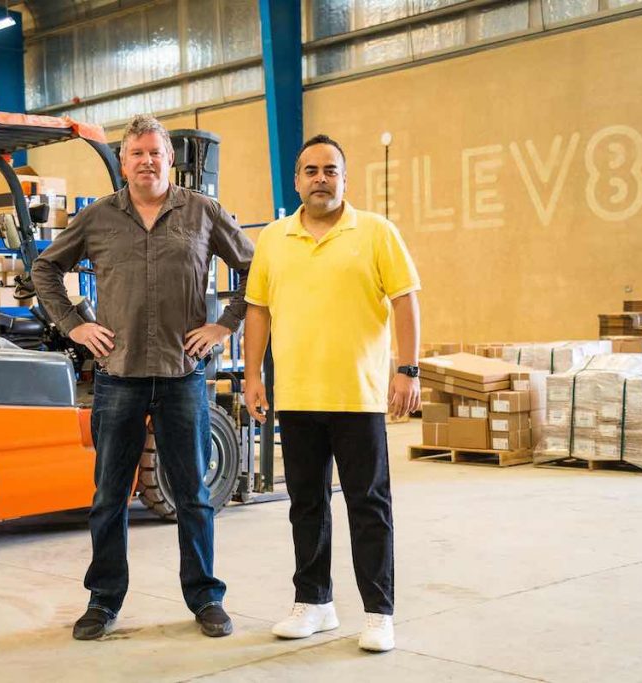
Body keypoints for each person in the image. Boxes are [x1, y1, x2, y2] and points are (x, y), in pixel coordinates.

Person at [32, 114, 254, 640]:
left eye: (156, 153)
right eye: (138, 154)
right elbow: (45, 269)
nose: (147, 161)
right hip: (119, 376)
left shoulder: (202, 212)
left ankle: (205, 596)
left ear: (170, 159)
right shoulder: (98, 218)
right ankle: (103, 600)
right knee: (109, 496)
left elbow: (257, 268)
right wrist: (74, 325)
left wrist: (224, 325)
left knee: (192, 494)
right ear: (123, 162)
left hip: (182, 375)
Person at [243, 134, 421, 653]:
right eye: (311, 170)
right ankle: (314, 602)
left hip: (358, 396)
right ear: (296, 181)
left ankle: (379, 613)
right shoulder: (273, 239)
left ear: (345, 178)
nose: (321, 178)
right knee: (306, 505)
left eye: (330, 170)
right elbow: (258, 310)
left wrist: (407, 369)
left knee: (369, 506)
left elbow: (406, 301)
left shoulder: (376, 232)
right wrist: (252, 376)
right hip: (297, 395)